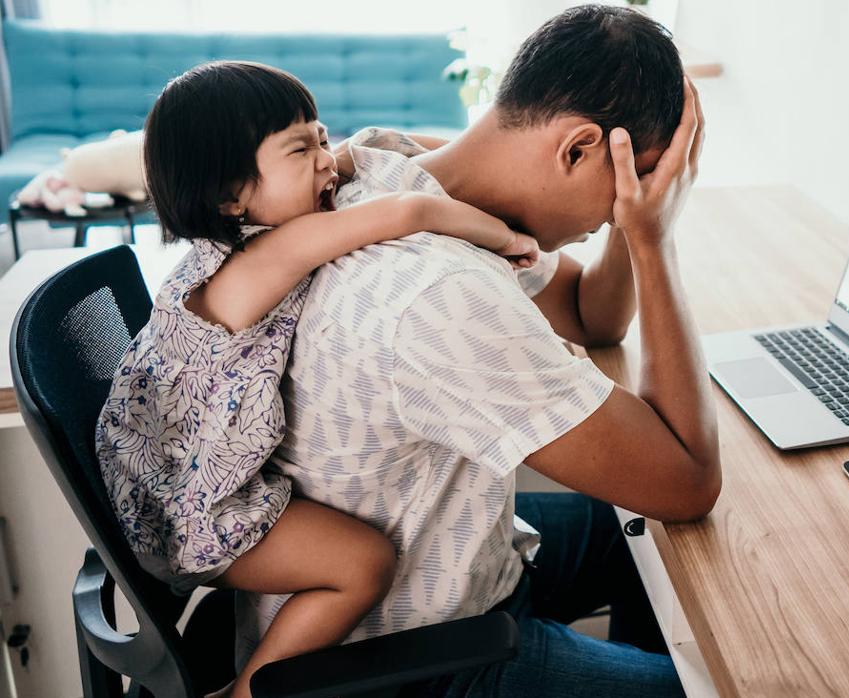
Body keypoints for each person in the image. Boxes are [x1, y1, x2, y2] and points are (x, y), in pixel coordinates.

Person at [239, 5, 716, 695]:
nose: (620, 210)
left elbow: (593, 316)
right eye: (626, 184)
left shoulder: (386, 160)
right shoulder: (443, 293)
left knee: (635, 537)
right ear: (578, 149)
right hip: (403, 655)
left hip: (445, 557)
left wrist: (632, 211)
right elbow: (688, 483)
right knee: (715, 684)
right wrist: (653, 238)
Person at [94, 61, 539, 698]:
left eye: (322, 137)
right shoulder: (264, 256)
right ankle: (247, 692)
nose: (327, 159)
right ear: (230, 196)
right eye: (301, 149)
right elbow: (410, 210)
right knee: (363, 563)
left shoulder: (243, 241)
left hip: (174, 484)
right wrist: (506, 238)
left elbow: (358, 157)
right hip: (194, 514)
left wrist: (341, 156)